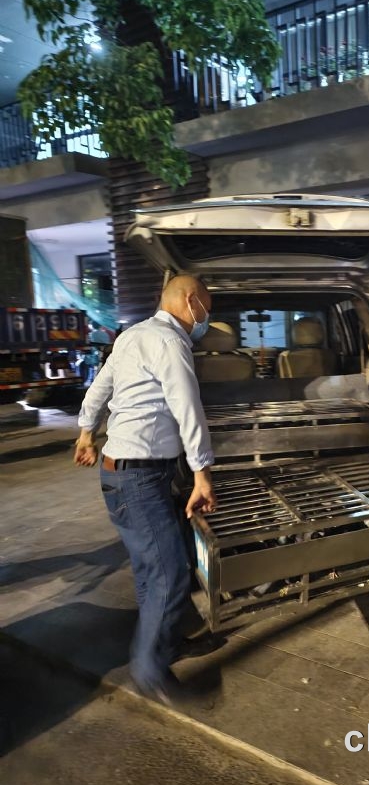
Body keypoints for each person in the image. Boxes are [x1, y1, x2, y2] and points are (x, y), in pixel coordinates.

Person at [74, 275, 217, 703]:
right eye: (207, 309)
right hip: (139, 478)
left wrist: (86, 432)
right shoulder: (170, 342)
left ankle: (167, 644)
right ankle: (150, 671)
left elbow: (100, 388)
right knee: (169, 574)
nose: (206, 320)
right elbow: (188, 409)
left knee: (149, 569)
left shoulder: (132, 335)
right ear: (190, 301)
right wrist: (202, 475)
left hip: (122, 475)